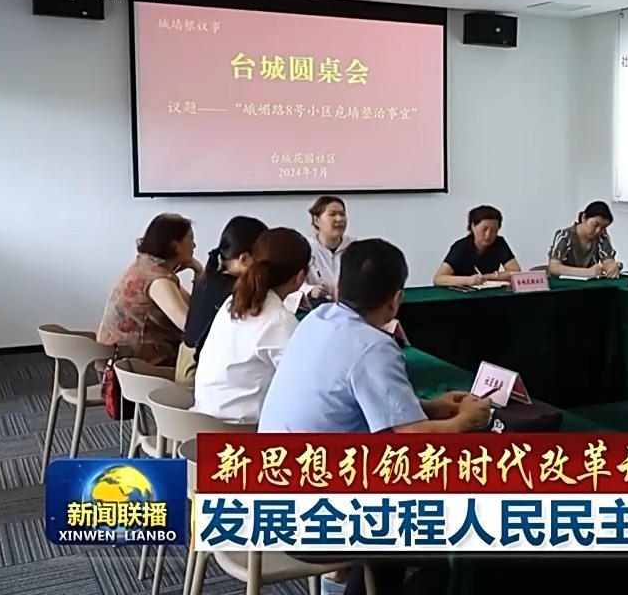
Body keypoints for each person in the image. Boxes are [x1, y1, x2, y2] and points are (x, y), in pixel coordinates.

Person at [261, 239, 490, 595]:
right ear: (395, 299)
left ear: (339, 287)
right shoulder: (374, 346)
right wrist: (466, 421)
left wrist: (429, 407)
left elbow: (349, 399)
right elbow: (412, 439)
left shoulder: (317, 319)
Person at [193, 228, 309, 424]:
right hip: (239, 429)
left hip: (201, 417)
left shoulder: (234, 301)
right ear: (300, 277)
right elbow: (303, 383)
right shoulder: (279, 320)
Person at [97, 213, 200, 365]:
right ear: (175, 246)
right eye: (190, 239)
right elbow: (190, 327)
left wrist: (198, 273)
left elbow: (193, 309)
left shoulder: (145, 266)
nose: (194, 245)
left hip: (115, 359)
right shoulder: (158, 280)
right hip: (135, 366)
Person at [177, 216, 267, 384]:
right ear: (244, 259)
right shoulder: (236, 291)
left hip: (185, 367)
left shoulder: (210, 279)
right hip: (197, 378)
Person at [433, 205, 522, 286]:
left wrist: (487, 277)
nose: (488, 235)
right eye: (484, 229)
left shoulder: (499, 243)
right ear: (473, 226)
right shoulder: (461, 247)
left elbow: (515, 272)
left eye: (494, 230)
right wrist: (467, 280)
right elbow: (438, 279)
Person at [547, 201, 622, 278]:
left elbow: (608, 262)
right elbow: (554, 267)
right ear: (584, 218)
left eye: (603, 228)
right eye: (595, 225)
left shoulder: (602, 237)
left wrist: (612, 267)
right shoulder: (564, 236)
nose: (598, 231)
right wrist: (587, 272)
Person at [305, 195, 352, 299]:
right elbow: (291, 285)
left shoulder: (354, 248)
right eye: (332, 214)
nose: (339, 219)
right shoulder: (305, 247)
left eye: (342, 214)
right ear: (316, 220)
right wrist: (310, 291)